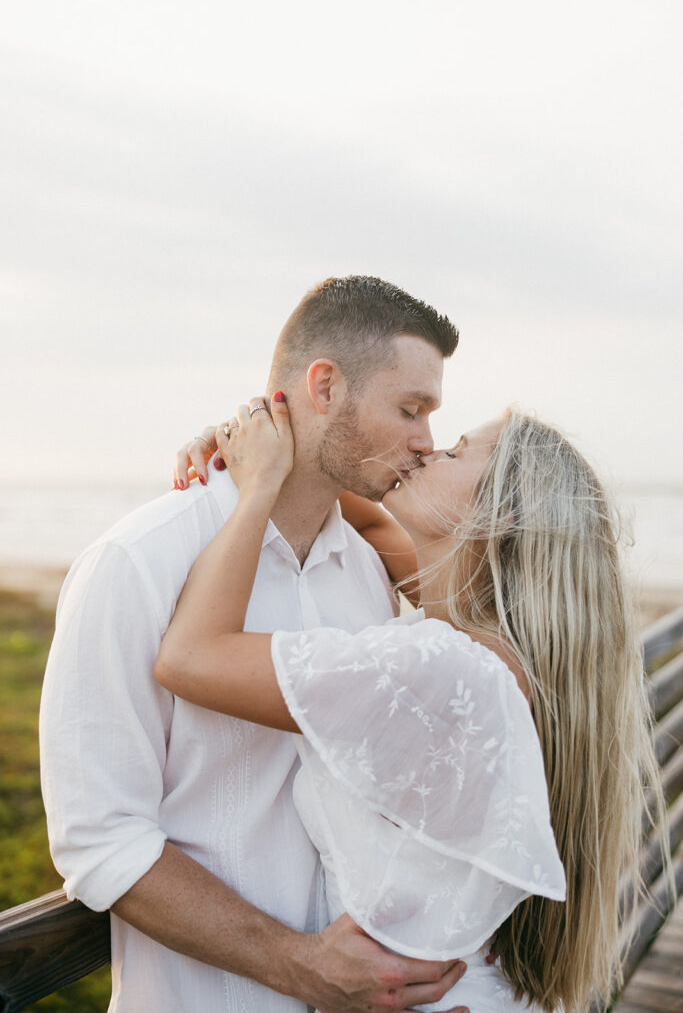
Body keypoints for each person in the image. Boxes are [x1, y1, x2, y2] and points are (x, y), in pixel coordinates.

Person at [40, 275, 474, 1013]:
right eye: (410, 409)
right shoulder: (138, 563)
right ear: (325, 387)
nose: (426, 442)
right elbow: (100, 839)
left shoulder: (371, 571)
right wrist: (299, 965)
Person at [158, 394, 666, 1013]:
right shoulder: (500, 655)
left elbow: (191, 659)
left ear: (498, 516)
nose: (427, 446)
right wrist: (274, 444)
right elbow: (370, 524)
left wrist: (259, 481)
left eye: (454, 451)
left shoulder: (440, 672)